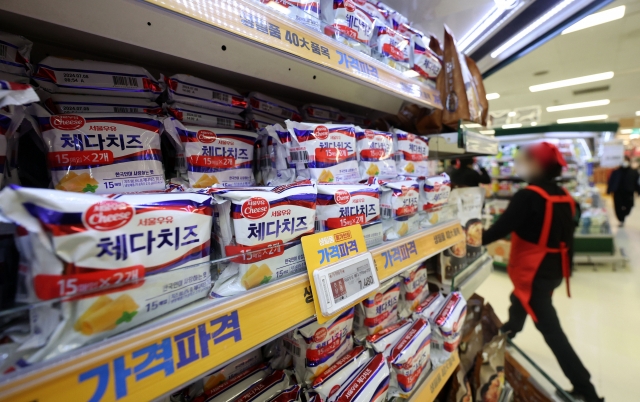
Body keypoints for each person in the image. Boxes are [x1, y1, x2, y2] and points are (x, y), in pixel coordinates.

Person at [482, 142, 603, 402]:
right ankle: (508, 333)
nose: (520, 163)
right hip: (554, 270)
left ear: (537, 164)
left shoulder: (528, 196)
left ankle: (587, 389)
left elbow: (499, 229)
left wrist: (469, 240)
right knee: (519, 300)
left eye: (524, 159)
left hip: (533, 272)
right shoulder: (565, 196)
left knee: (550, 329)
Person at [607, 156, 639, 227]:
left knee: (629, 206)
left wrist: (638, 191)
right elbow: (611, 181)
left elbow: (636, 183)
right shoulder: (616, 172)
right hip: (618, 192)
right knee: (618, 207)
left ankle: (624, 215)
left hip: (629, 192)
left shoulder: (634, 172)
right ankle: (621, 219)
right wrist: (609, 190)